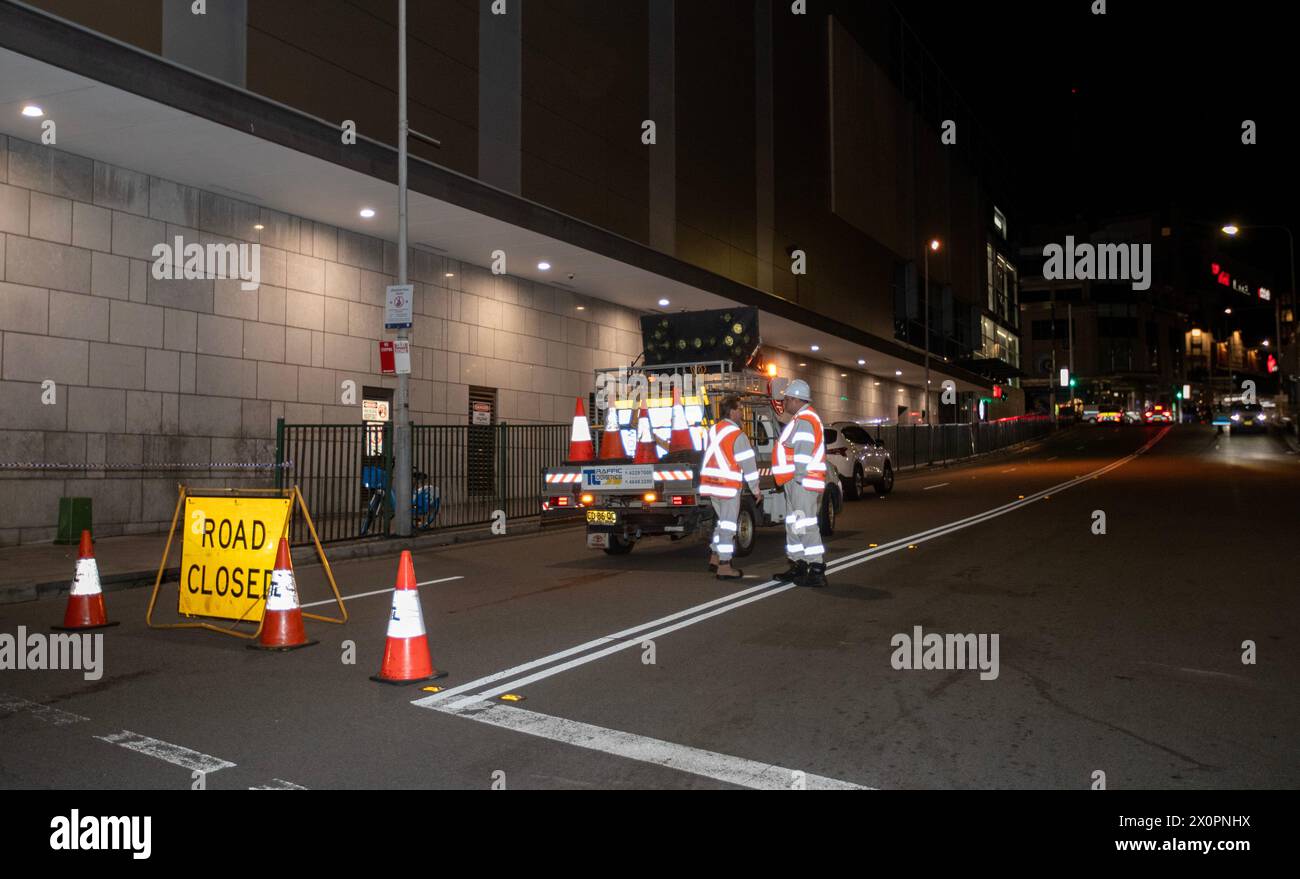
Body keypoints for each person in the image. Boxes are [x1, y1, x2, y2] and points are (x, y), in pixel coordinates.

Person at [771, 379, 828, 587]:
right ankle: (799, 565)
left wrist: (799, 479)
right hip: (797, 481)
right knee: (795, 525)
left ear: (795, 399)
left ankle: (816, 568)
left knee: (805, 525)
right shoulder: (801, 418)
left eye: (787, 399)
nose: (784, 402)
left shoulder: (805, 419)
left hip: (802, 482)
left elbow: (802, 454)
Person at [699, 395, 760, 580]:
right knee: (728, 526)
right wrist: (756, 489)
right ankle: (725, 566)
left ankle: (715, 557)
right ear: (732, 411)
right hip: (728, 486)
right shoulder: (737, 435)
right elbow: (749, 465)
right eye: (740, 409)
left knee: (722, 522)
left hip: (712, 485)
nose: (742, 413)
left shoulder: (713, 430)